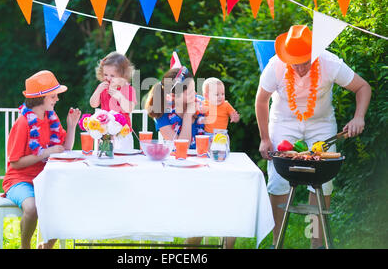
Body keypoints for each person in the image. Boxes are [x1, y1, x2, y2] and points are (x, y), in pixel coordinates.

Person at [255, 25, 371, 248]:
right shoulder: (276, 65)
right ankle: (276, 240)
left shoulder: (330, 63)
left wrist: (359, 117)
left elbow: (363, 87)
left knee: (323, 181)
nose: (300, 69)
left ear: (314, 55)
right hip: (283, 121)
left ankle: (316, 243)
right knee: (278, 180)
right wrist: (265, 138)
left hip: (322, 124)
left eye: (305, 63)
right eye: (295, 63)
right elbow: (261, 100)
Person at [145, 68, 236, 249]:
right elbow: (181, 148)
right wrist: (188, 116)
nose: (197, 95)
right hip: (179, 172)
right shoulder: (163, 113)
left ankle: (227, 246)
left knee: (231, 197)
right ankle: (191, 247)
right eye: (192, 91)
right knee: (203, 205)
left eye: (196, 90)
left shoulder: (203, 104)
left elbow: (220, 134)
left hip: (205, 167)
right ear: (176, 96)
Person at [2, 70, 81, 249]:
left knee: (63, 203)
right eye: (53, 96)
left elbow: (65, 149)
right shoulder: (23, 123)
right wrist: (46, 152)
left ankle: (46, 246)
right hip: (19, 180)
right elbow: (14, 163)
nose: (57, 99)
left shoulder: (51, 118)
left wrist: (71, 125)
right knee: (32, 208)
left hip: (44, 178)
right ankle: (25, 246)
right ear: (40, 98)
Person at [89, 52, 137, 150]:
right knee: (106, 157)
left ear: (123, 76)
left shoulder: (127, 89)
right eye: (105, 74)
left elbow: (129, 108)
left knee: (123, 157)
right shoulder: (102, 88)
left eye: (113, 75)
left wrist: (119, 96)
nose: (108, 78)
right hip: (105, 130)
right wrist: (98, 91)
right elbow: (93, 104)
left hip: (123, 132)